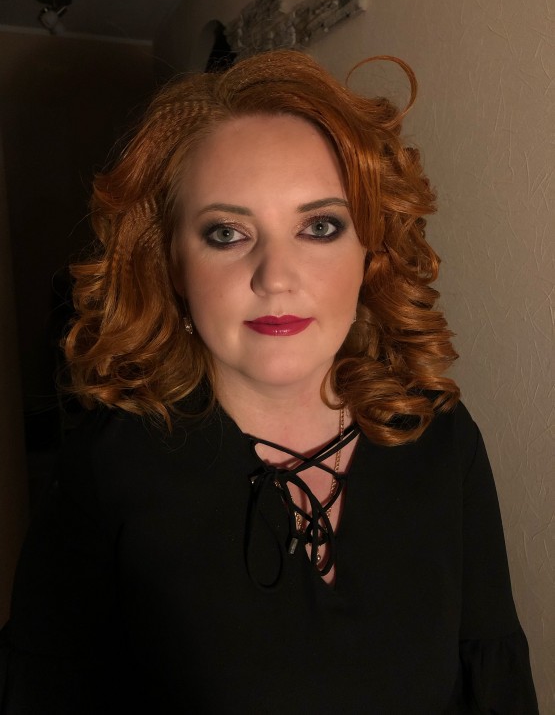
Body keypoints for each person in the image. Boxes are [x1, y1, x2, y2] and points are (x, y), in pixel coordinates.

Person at [0, 50, 538, 714]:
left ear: (369, 251)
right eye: (227, 233)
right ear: (172, 264)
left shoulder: (439, 439)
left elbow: (493, 681)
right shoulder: (109, 468)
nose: (275, 277)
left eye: (319, 226)